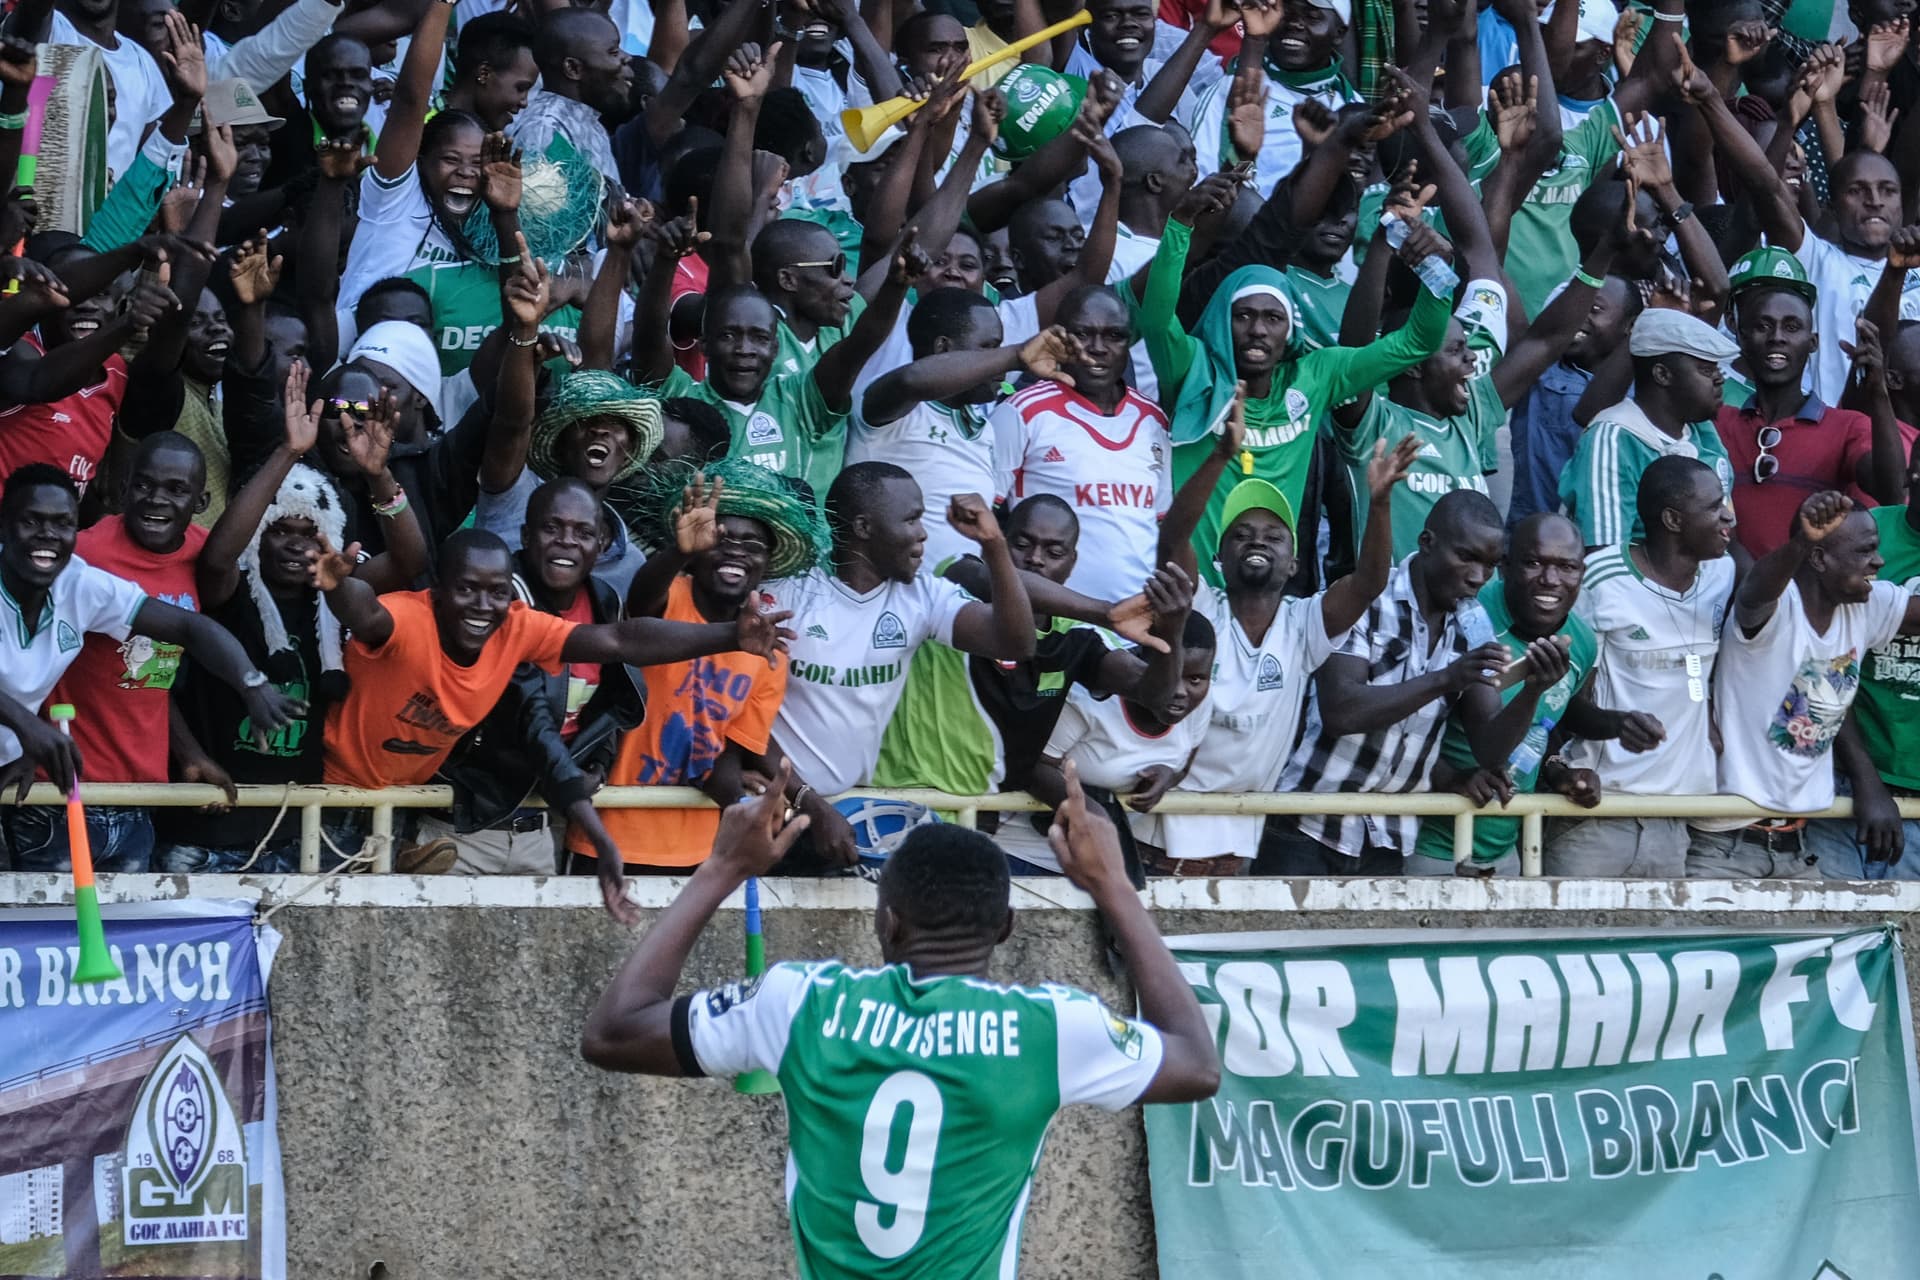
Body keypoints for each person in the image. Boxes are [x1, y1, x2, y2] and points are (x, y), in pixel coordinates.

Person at [580, 759, 1220, 1277]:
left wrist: (723, 867)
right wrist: (1113, 887)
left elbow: (613, 1033)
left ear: (887, 922)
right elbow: (1196, 1064)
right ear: (1004, 926)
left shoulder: (801, 1002)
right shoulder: (1053, 1029)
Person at [1148, 387, 1421, 872]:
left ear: (1294, 562)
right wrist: (1220, 456)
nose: (1258, 541)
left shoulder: (1302, 624)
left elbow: (1368, 583)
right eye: (1241, 534)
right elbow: (1172, 540)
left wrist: (1378, 505)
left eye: (1274, 536)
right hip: (1166, 822)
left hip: (1240, 834)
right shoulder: (1201, 607)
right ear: (1220, 556)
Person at [0, 464, 302, 871]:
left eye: (62, 523)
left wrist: (252, 683)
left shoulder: (80, 583)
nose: (48, 535)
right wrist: (25, 727)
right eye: (31, 521)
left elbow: (187, 626)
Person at [761, 462, 1036, 868]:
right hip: (773, 806)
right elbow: (741, 717)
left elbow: (1017, 641)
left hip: (843, 812)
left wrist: (994, 544)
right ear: (863, 528)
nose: (923, 533)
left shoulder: (921, 597)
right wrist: (807, 801)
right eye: (911, 519)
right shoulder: (788, 593)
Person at [575, 459, 823, 879]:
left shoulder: (769, 647)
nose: (736, 552)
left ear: (767, 564)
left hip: (700, 846)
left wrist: (745, 805)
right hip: (610, 831)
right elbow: (640, 602)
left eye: (753, 545)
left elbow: (732, 747)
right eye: (722, 539)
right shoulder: (671, 595)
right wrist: (678, 551)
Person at [1261, 491, 1511, 876]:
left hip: (1387, 839)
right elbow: (1340, 711)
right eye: (1467, 557)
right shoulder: (1364, 599)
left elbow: (1490, 746)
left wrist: (1534, 689)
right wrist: (1445, 679)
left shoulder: (1474, 625)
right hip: (1305, 828)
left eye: (1490, 565)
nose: (1478, 577)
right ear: (1426, 543)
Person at [425, 477, 646, 888]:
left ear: (601, 546)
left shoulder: (604, 600)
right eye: (551, 528)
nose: (566, 542)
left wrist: (597, 764)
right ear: (526, 536)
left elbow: (609, 701)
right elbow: (532, 718)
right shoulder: (495, 599)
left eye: (583, 533)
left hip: (540, 828)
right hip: (463, 829)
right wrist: (590, 819)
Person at [1691, 491, 1920, 878]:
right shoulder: (1777, 611)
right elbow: (1754, 594)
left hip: (1798, 848)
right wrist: (1800, 542)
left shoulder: (1865, 605)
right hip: (1726, 847)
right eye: (1866, 552)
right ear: (1818, 558)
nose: (1879, 562)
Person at [1548, 456, 1732, 878]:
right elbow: (1563, 696)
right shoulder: (1600, 577)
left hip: (1674, 820)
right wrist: (1616, 723)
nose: (1726, 515)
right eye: (1713, 506)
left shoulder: (1724, 573)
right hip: (1595, 813)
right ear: (1672, 519)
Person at [36, 434, 210, 871]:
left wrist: (188, 752)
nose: (157, 499)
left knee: (121, 937)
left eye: (176, 489)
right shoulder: (84, 555)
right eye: (144, 485)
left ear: (201, 501)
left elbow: (149, 674)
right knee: (53, 935)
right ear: (122, 488)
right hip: (60, 793)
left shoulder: (199, 553)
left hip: (140, 794)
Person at [1407, 514, 1603, 876]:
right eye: (1533, 563)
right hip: (1428, 845)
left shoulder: (1583, 641)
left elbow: (1553, 722)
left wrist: (1564, 767)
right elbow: (1409, 730)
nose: (1550, 579)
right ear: (1505, 567)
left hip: (1508, 848)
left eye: (1567, 567)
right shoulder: (1468, 618)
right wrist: (1451, 776)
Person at [1715, 247, 1906, 558]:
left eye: (1792, 327)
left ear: (1813, 342)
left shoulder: (1846, 427)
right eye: (1763, 326)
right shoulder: (1718, 422)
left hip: (1809, 601)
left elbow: (1892, 490)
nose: (1777, 337)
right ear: (1742, 337)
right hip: (1732, 599)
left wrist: (1878, 393)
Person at [991, 285, 1170, 600]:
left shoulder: (1153, 420)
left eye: (1114, 336)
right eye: (1083, 334)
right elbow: (980, 515)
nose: (1098, 348)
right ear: (1058, 338)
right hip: (1051, 627)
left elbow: (1160, 528)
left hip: (1134, 629)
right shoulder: (1022, 411)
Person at [1811, 436, 1920, 881]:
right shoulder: (1867, 537)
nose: (1872, 561)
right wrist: (1866, 780)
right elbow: (1823, 668)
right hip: (1849, 785)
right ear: (1913, 474)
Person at [1561, 308, 1738, 551]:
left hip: (1703, 584)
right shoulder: (1612, 437)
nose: (1719, 379)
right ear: (1662, 374)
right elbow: (1604, 557)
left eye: (1717, 370)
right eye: (1706, 370)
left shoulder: (1703, 432)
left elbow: (1726, 535)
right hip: (1631, 586)